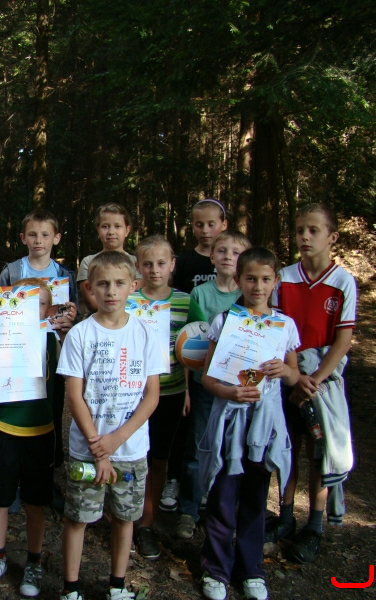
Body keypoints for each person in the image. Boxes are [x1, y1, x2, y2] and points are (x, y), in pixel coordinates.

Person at [57, 251, 166, 600]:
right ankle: (70, 588)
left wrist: (117, 439)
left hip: (130, 450)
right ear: (89, 288)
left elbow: (152, 396)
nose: (111, 291)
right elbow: (74, 396)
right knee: (78, 517)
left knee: (125, 517)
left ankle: (117, 585)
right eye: (103, 284)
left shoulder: (146, 334)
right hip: (87, 450)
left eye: (120, 283)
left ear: (134, 285)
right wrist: (98, 447)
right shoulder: (80, 334)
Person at [198, 247, 301, 600]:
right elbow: (207, 378)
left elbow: (294, 376)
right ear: (239, 280)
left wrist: (284, 370)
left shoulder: (284, 325)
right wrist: (229, 392)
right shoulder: (225, 321)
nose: (258, 286)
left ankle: (251, 569)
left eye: (265, 279)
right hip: (229, 424)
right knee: (223, 496)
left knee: (256, 497)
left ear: (276, 281)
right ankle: (216, 568)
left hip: (263, 427)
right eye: (251, 279)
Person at [269, 204, 357, 564]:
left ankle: (315, 526)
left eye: (313, 230)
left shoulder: (343, 281)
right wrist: (295, 377)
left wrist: (315, 380)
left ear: (332, 237)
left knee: (320, 453)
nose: (304, 237)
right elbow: (277, 329)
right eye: (299, 230)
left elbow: (343, 339)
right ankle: (285, 516)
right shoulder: (284, 277)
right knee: (287, 448)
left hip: (321, 382)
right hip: (289, 377)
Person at [0, 277, 65, 597]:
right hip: (4, 428)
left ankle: (34, 561)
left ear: (49, 309)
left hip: (41, 432)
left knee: (35, 502)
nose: (32, 309)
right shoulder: (0, 335)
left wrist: (64, 331)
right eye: (24, 302)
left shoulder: (55, 339)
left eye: (39, 304)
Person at [175, 230, 251, 540]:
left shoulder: (250, 294)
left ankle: (222, 510)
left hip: (240, 388)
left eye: (236, 252)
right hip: (205, 385)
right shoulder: (200, 294)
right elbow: (190, 343)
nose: (228, 256)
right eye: (222, 251)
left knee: (235, 449)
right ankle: (188, 510)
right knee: (197, 447)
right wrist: (187, 388)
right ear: (211, 256)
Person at [0, 208, 77, 474]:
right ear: (23, 238)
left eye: (45, 234)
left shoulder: (64, 274)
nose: (38, 240)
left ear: (57, 238)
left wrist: (70, 318)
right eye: (32, 234)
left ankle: (51, 465)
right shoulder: (11, 271)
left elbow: (73, 313)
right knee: (16, 404)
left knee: (52, 405)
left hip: (52, 352)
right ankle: (13, 464)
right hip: (15, 351)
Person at [163, 199, 229, 514]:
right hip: (189, 354)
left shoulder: (233, 261)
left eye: (211, 224)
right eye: (199, 224)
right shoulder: (187, 262)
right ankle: (175, 479)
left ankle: (214, 489)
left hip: (225, 364)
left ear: (223, 225)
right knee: (185, 426)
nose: (205, 230)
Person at [128, 236, 191, 560]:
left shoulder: (185, 301)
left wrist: (188, 389)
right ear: (138, 267)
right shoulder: (129, 301)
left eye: (161, 263)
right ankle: (126, 517)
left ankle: (147, 524)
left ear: (172, 265)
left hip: (171, 391)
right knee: (132, 456)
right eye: (148, 264)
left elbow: (193, 350)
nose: (155, 270)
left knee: (159, 459)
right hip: (133, 394)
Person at [76, 203, 140, 318]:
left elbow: (139, 298)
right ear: (98, 229)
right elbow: (92, 303)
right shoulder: (88, 262)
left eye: (117, 226)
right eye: (105, 226)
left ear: (127, 230)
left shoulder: (137, 263)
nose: (111, 232)